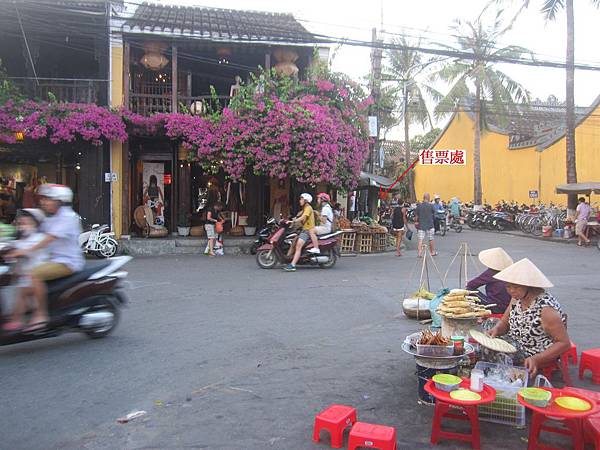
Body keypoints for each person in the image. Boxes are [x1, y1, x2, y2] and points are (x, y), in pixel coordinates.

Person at [6, 184, 84, 332]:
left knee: (33, 274)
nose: (44, 202)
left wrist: (24, 251)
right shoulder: (50, 217)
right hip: (51, 260)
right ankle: (17, 318)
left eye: (48, 199)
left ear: (59, 201)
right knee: (23, 281)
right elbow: (31, 227)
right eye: (43, 199)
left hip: (66, 262)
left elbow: (48, 239)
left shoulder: (67, 217)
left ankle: (41, 314)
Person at [488, 258, 570, 376]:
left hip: (533, 351)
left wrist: (537, 359)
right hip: (516, 341)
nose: (511, 291)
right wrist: (497, 329)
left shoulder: (546, 309)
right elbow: (505, 321)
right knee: (488, 325)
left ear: (528, 286)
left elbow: (564, 343)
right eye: (508, 287)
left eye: (516, 287)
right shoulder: (517, 298)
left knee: (490, 351)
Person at [3, 209, 47, 331]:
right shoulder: (19, 239)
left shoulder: (39, 238)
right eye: (21, 224)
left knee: (22, 291)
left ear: (36, 224)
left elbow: (27, 251)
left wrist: (16, 253)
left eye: (27, 223)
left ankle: (18, 319)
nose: (23, 227)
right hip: (22, 274)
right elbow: (9, 246)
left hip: (36, 273)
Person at [466, 247, 513, 314]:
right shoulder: (508, 272)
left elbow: (471, 285)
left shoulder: (491, 272)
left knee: (468, 290)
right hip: (508, 306)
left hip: (495, 306)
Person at [284, 193, 315, 272]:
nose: (299, 201)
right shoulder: (305, 208)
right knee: (294, 241)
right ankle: (287, 259)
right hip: (304, 230)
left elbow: (303, 217)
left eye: (301, 199)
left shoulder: (308, 208)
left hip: (307, 231)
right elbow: (299, 216)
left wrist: (292, 221)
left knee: (298, 247)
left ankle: (293, 265)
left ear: (306, 200)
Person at [415, 193, 436, 257]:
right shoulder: (431, 205)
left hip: (421, 224)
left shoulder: (419, 205)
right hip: (430, 224)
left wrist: (416, 222)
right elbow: (434, 213)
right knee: (431, 239)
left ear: (423, 198)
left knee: (420, 239)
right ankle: (432, 252)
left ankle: (419, 253)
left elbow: (416, 216)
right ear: (428, 198)